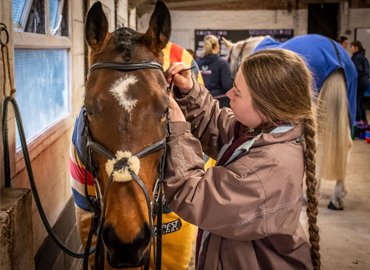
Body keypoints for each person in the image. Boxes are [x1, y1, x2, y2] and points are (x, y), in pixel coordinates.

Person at [163, 49, 321, 269]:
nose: (228, 94)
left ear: (266, 107)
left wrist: (178, 130)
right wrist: (189, 92)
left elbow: (194, 194)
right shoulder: (265, 131)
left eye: (237, 91)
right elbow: (218, 125)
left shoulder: (269, 167)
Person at [196, 35, 233, 108]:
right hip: (219, 104)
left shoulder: (198, 62)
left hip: (201, 102)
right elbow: (227, 85)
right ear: (217, 46)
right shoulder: (222, 63)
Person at [350, 40, 369, 125]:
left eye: (351, 47)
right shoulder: (363, 57)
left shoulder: (357, 57)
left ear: (356, 48)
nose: (350, 49)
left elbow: (357, 70)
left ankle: (356, 124)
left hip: (359, 82)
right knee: (360, 103)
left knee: (356, 104)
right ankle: (364, 121)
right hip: (365, 82)